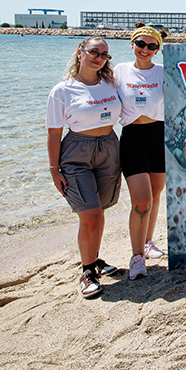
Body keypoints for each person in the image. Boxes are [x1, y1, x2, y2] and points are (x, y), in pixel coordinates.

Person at [46, 37, 123, 298]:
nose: (99, 58)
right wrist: (54, 169)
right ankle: (87, 271)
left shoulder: (111, 83)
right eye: (94, 52)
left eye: (104, 54)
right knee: (89, 214)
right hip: (77, 152)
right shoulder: (62, 90)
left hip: (109, 148)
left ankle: (95, 259)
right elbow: (54, 133)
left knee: (99, 211)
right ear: (80, 53)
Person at [115, 26, 167, 281]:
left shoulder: (164, 71)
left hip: (160, 136)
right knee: (142, 200)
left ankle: (147, 242)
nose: (145, 49)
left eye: (151, 46)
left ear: (158, 49)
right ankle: (137, 257)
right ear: (132, 44)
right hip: (133, 139)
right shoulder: (119, 71)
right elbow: (93, 86)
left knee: (155, 194)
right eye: (140, 44)